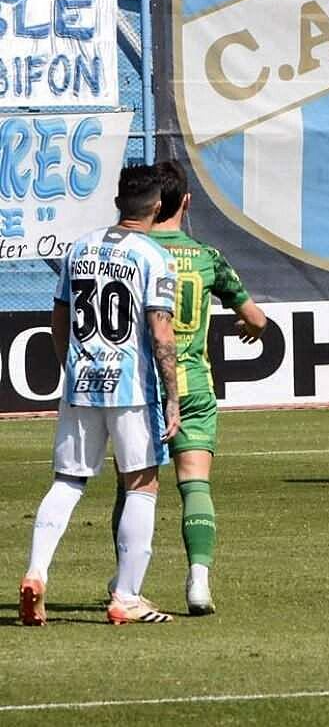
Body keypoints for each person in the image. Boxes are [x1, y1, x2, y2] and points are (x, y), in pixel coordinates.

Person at [19, 165, 180, 625]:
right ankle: (126, 596)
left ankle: (36, 571)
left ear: (117, 202)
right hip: (132, 388)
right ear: (157, 207)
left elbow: (58, 317)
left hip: (82, 382)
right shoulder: (154, 257)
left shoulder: (79, 248)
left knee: (68, 482)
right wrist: (172, 397)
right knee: (142, 485)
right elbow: (161, 330)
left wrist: (69, 364)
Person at [112, 159, 267, 616]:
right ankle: (198, 579)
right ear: (187, 202)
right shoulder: (206, 256)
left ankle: (125, 581)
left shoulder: (129, 251)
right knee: (194, 483)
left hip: (140, 386)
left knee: (132, 487)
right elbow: (257, 319)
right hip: (193, 384)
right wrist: (250, 327)